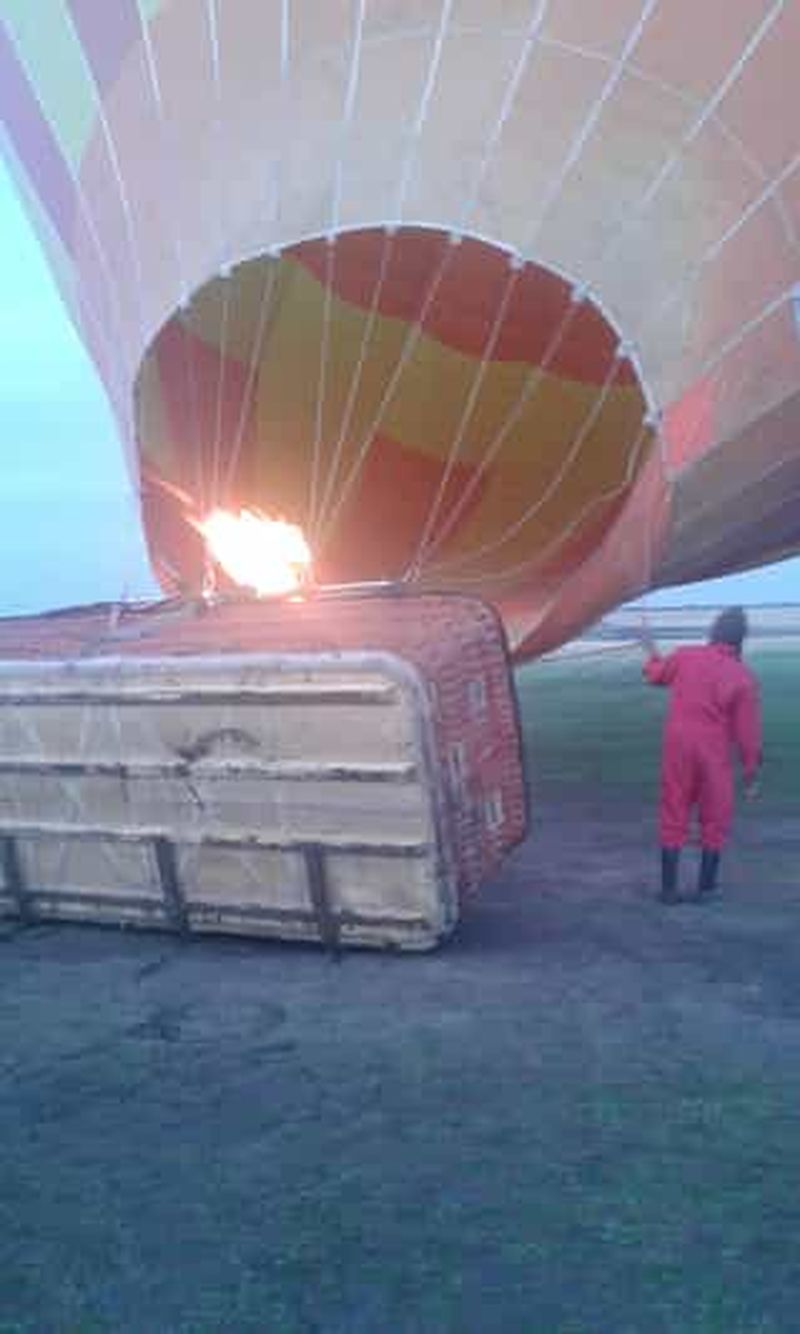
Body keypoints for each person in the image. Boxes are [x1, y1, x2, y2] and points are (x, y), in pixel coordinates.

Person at [639, 606, 762, 904]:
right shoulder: (743, 677)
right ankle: (706, 888)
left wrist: (652, 651)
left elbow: (656, 675)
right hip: (713, 753)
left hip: (678, 748)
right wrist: (750, 773)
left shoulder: (686, 656)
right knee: (715, 815)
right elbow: (748, 734)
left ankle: (668, 890)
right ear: (740, 639)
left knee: (674, 809)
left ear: (715, 631)